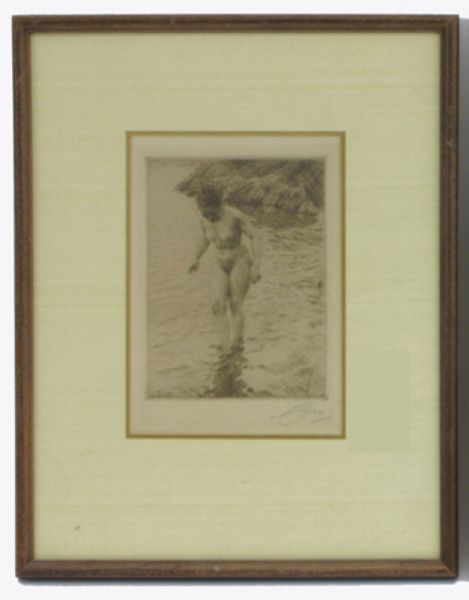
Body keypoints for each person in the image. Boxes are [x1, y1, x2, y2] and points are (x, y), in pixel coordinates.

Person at [188, 186, 262, 352]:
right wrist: (196, 258)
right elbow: (205, 239)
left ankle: (237, 345)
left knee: (235, 304)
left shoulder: (235, 216)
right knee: (217, 305)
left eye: (212, 213)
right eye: (205, 213)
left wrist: (257, 265)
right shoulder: (204, 219)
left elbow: (256, 235)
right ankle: (225, 349)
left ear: (219, 206)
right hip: (218, 260)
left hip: (239, 260)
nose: (208, 217)